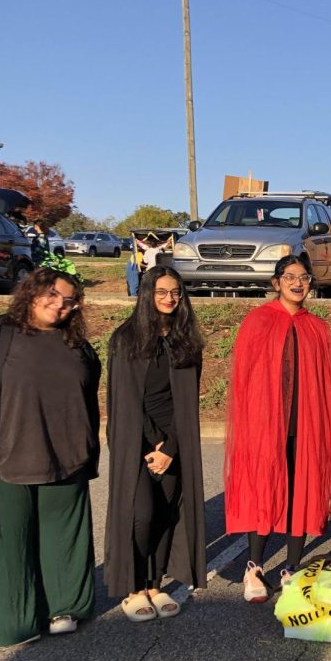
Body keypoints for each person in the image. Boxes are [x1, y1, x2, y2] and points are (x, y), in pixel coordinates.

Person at [0, 268, 100, 647]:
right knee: (7, 545)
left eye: (69, 300)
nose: (60, 305)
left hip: (66, 460)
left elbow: (89, 398)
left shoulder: (76, 344)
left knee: (63, 541)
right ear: (32, 291)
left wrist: (88, 447)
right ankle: (12, 619)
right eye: (53, 295)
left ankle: (64, 606)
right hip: (6, 461)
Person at [225, 255, 331, 602]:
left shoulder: (317, 328)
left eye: (304, 277)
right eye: (290, 276)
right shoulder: (257, 321)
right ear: (276, 282)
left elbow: (324, 385)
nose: (298, 282)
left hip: (304, 424)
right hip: (264, 424)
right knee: (264, 489)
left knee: (300, 491)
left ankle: (291, 567)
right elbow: (244, 381)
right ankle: (254, 567)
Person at [103, 266, 206, 622]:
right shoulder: (125, 339)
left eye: (175, 292)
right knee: (141, 515)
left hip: (174, 440)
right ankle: (133, 588)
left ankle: (155, 583)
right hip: (138, 440)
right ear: (147, 294)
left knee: (165, 514)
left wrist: (173, 447)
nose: (169, 298)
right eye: (161, 291)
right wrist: (156, 447)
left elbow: (188, 402)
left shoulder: (185, 341)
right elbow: (126, 401)